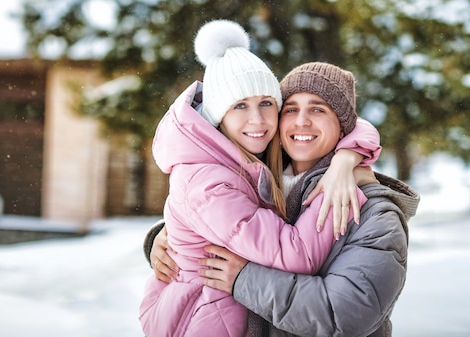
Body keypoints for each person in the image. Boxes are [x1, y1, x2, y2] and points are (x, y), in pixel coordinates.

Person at [139, 20, 382, 337]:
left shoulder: (253, 161)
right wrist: (334, 189)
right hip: (205, 322)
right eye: (240, 105)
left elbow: (350, 120)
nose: (257, 119)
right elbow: (293, 254)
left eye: (266, 103)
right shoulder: (212, 180)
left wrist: (345, 161)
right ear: (218, 116)